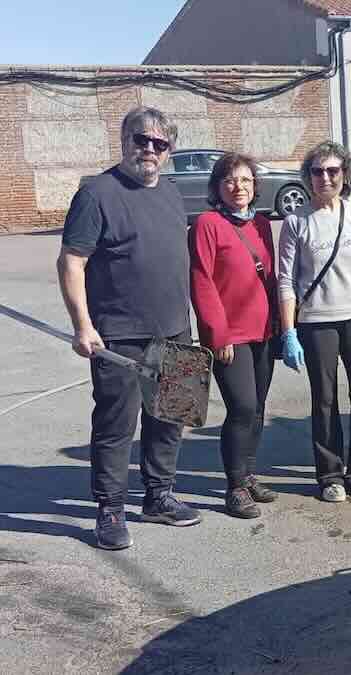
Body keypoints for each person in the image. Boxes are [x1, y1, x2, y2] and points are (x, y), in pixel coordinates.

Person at [58, 106, 202, 550]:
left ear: (169, 150)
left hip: (175, 331)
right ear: (124, 139)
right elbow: (71, 262)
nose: (149, 150)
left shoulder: (172, 194)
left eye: (159, 144)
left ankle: (159, 496)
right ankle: (111, 509)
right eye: (141, 140)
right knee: (116, 425)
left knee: (169, 418)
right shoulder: (97, 193)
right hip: (119, 335)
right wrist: (83, 325)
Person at [276, 141, 351, 503]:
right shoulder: (296, 222)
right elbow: (286, 281)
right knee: (324, 398)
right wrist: (289, 331)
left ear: (345, 175)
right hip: (317, 322)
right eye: (317, 171)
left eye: (333, 171)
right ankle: (329, 474)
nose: (325, 178)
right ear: (308, 176)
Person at [189, 153, 280, 519]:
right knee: (241, 408)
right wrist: (217, 334)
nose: (238, 187)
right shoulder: (207, 224)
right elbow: (201, 283)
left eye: (245, 180)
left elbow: (271, 279)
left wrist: (281, 326)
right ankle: (235, 487)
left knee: (257, 408)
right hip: (230, 336)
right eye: (229, 181)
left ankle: (249, 472)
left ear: (254, 186)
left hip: (264, 331)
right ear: (217, 188)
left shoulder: (261, 224)